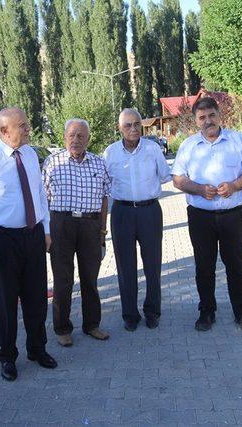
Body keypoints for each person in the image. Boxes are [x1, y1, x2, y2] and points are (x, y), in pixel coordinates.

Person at [0, 107, 57, 382]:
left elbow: (40, 195)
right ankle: (7, 356)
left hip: (32, 236)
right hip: (2, 240)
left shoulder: (30, 155)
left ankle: (37, 348)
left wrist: (45, 229)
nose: (28, 128)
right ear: (5, 131)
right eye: (23, 125)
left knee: (36, 298)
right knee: (6, 303)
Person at [172, 97, 242, 332]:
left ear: (219, 115)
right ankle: (206, 312)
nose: (208, 121)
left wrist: (234, 186)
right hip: (200, 216)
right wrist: (200, 189)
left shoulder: (237, 140)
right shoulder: (188, 146)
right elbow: (178, 179)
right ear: (195, 121)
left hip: (233, 215)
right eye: (202, 117)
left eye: (211, 115)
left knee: (235, 265)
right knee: (204, 266)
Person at [42, 118, 111, 347]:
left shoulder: (99, 164)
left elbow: (104, 199)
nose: (76, 140)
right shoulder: (52, 163)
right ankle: (62, 328)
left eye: (81, 136)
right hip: (61, 225)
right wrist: (46, 232)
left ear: (88, 139)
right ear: (64, 137)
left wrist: (102, 231)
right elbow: (43, 200)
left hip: (90, 226)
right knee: (63, 279)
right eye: (71, 135)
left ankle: (92, 325)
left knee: (90, 278)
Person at [103, 108, 171, 332]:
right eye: (127, 125)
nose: (133, 129)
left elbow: (164, 176)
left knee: (152, 264)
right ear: (119, 128)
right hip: (122, 213)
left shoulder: (152, 149)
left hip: (149, 211)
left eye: (136, 124)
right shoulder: (110, 153)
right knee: (125, 266)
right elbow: (105, 186)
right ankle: (130, 315)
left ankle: (153, 312)